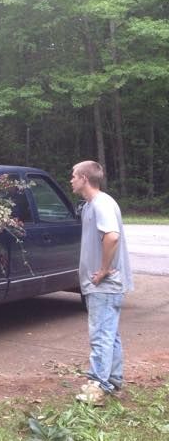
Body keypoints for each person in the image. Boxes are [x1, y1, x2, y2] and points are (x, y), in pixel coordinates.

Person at [69, 160, 133, 406]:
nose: (71, 179)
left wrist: (103, 270)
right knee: (109, 333)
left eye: (74, 175)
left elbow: (112, 236)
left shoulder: (102, 204)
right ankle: (113, 380)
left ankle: (97, 385)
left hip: (104, 285)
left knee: (101, 334)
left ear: (85, 178)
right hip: (102, 285)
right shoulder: (90, 205)